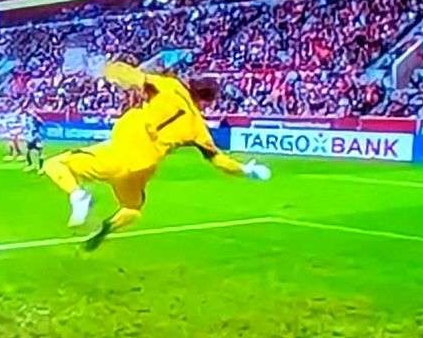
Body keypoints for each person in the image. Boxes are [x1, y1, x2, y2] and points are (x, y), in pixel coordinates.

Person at [42, 62, 269, 251]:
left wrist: (110, 70)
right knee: (133, 208)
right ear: (208, 101)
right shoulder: (199, 128)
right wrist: (247, 171)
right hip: (142, 168)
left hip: (119, 150)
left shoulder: (170, 86)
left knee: (55, 164)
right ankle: (107, 228)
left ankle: (78, 195)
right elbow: (219, 161)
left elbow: (137, 78)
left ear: (191, 84)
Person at [23, 108, 47, 172]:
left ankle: (41, 167)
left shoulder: (37, 119)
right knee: (28, 151)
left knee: (40, 152)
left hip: (37, 137)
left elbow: (43, 124)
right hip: (30, 137)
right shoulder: (27, 119)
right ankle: (31, 165)